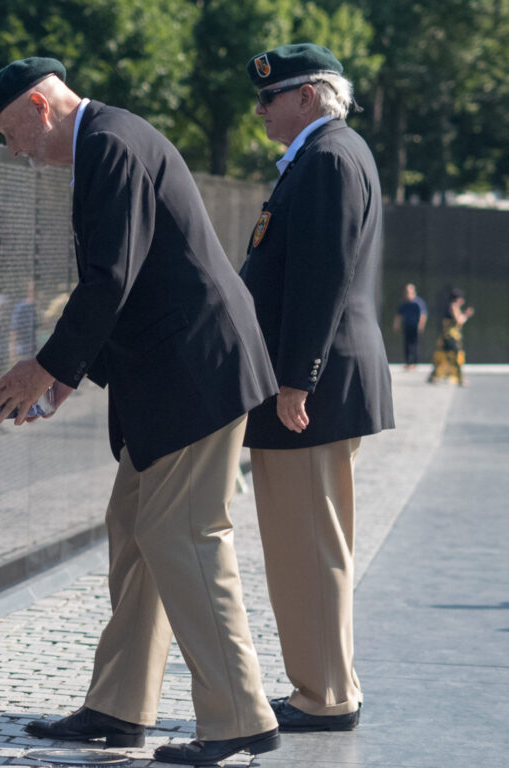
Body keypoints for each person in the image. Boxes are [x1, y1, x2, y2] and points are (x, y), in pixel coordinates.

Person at [0, 57, 281, 765]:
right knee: (137, 530)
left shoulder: (110, 144)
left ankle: (240, 717)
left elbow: (110, 280)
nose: (13, 151)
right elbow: (128, 278)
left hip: (196, 374)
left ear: (40, 108)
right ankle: (119, 705)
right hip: (172, 375)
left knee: (183, 534)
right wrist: (67, 379)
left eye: (10, 133)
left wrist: (46, 368)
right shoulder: (107, 140)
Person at [240, 44, 395, 733]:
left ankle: (325, 696)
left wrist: (294, 381)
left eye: (269, 97)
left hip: (312, 390)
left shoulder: (327, 158)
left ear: (307, 96)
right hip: (317, 383)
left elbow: (320, 279)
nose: (261, 110)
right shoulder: (329, 153)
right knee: (311, 544)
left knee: (306, 548)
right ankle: (329, 685)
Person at [428, 288, 474, 385]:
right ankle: (460, 379)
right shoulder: (453, 306)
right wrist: (466, 315)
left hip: (448, 337)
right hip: (450, 337)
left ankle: (434, 376)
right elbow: (459, 321)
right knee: (456, 356)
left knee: (442, 356)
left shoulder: (452, 307)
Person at [393, 283, 428, 369]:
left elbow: (423, 315)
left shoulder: (418, 302)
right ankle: (408, 362)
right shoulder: (404, 303)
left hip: (415, 326)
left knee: (414, 344)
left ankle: (414, 362)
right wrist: (396, 325)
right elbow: (399, 315)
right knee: (407, 344)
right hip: (407, 325)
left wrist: (421, 325)